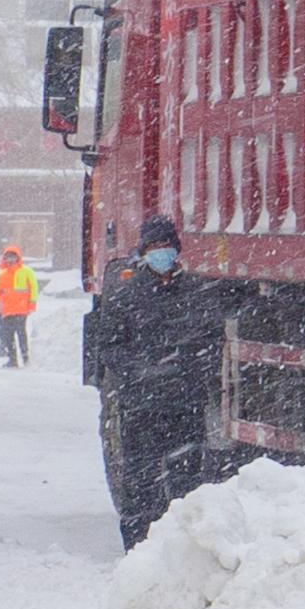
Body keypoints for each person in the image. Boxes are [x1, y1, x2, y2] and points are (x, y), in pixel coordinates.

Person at [79, 216, 213, 545]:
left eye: (166, 246)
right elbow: (109, 349)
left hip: (184, 406)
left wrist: (190, 375)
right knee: (141, 483)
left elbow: (211, 343)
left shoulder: (195, 294)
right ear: (143, 253)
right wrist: (141, 375)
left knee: (186, 483)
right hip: (142, 407)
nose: (161, 253)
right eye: (154, 248)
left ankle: (183, 550)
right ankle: (138, 550)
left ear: (176, 250)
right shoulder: (126, 296)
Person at [0, 244, 42, 367]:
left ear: (18, 258)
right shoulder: (3, 275)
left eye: (12, 257)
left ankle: (25, 357)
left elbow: (33, 287)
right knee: (8, 336)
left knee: (21, 334)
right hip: (7, 310)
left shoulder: (26, 272)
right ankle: (13, 360)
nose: (10, 260)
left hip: (21, 310)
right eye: (7, 257)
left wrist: (32, 303)